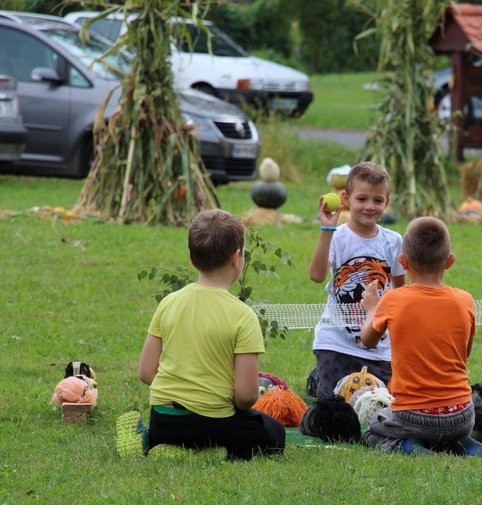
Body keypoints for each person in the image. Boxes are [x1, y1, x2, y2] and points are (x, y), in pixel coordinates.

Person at [116, 209, 285, 460]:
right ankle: (207, 452)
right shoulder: (243, 315)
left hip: (164, 422)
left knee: (172, 431)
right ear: (237, 257)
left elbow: (145, 372)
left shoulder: (169, 303)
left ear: (191, 258)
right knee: (274, 433)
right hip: (215, 425)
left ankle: (154, 442)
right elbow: (247, 396)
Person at [359, 216, 482, 456]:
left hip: (413, 416)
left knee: (372, 429)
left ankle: (410, 447)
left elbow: (368, 340)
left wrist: (372, 309)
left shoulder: (393, 300)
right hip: (462, 415)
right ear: (449, 261)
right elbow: (465, 353)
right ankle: (464, 444)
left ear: (403, 262)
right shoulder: (465, 300)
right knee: (451, 431)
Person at [309, 162, 406, 399]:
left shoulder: (393, 241)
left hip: (378, 348)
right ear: (345, 198)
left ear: (387, 202)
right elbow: (316, 275)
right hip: (335, 342)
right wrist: (326, 230)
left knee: (376, 404)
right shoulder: (338, 237)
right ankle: (318, 379)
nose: (369, 206)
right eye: (362, 199)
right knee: (333, 405)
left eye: (377, 200)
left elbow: (400, 291)